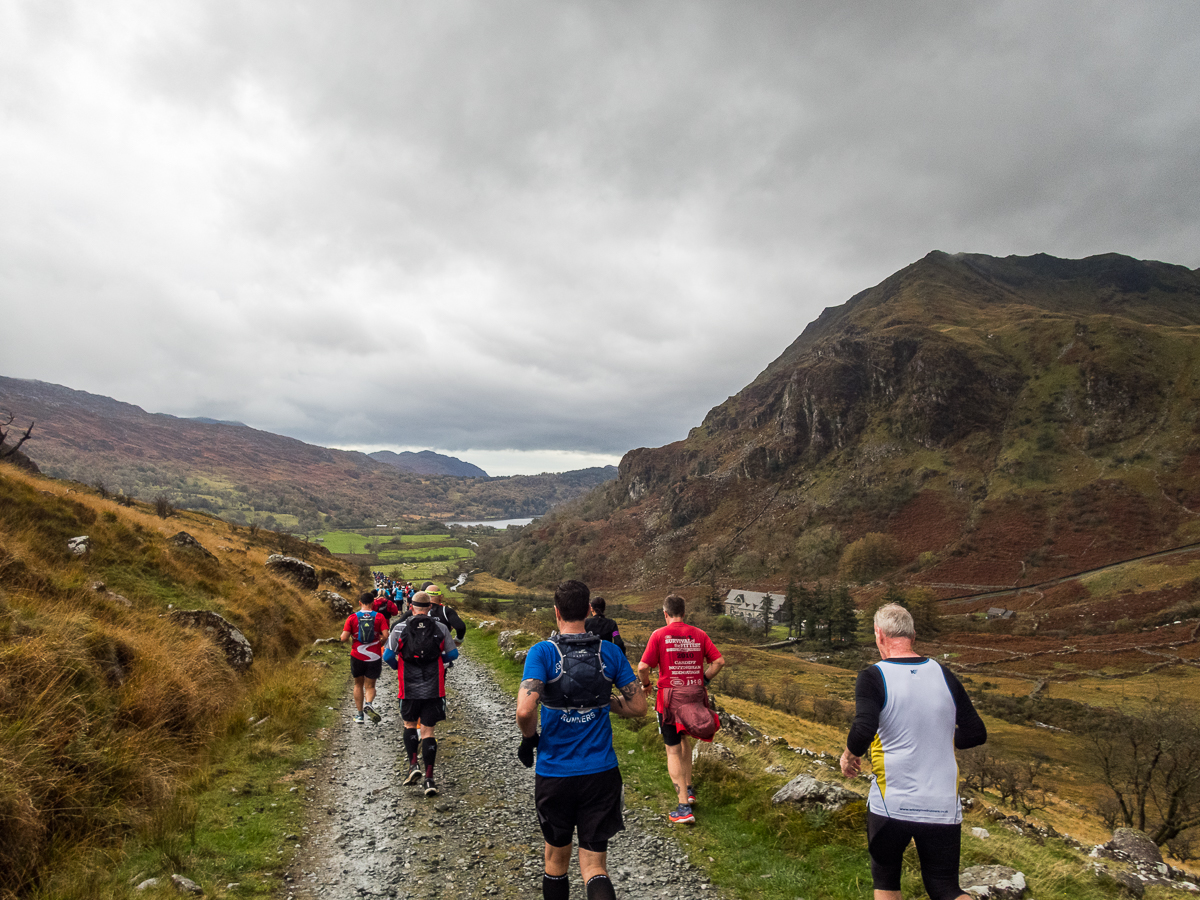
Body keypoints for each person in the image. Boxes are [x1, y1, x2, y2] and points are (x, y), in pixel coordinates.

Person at [839, 603, 987, 900]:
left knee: (887, 881)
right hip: (942, 803)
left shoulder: (873, 676)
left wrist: (849, 754)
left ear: (879, 635)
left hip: (892, 801)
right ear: (913, 636)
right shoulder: (945, 675)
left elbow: (864, 727)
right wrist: (945, 737)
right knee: (945, 888)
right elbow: (976, 733)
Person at [516, 580, 646, 900]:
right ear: (589, 610)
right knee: (594, 866)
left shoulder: (543, 652)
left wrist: (529, 738)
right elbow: (639, 706)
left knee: (556, 859)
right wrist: (605, 702)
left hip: (555, 772)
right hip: (601, 772)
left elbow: (524, 710)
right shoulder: (610, 652)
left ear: (556, 611)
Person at [637, 593, 725, 825]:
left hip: (669, 701)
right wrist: (703, 680)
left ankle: (683, 807)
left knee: (672, 750)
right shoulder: (700, 635)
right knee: (685, 741)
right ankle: (689, 789)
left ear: (665, 613)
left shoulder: (659, 635)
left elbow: (643, 666)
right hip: (695, 697)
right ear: (684, 613)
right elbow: (719, 662)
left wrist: (646, 685)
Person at [383, 590, 458, 797]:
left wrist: (399, 666)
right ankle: (430, 779)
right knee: (428, 732)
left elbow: (388, 655)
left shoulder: (399, 628)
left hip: (408, 686)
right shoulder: (441, 627)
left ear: (411, 606)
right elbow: (453, 654)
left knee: (409, 725)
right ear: (431, 607)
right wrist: (438, 662)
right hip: (434, 687)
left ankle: (413, 764)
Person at [340, 591, 389, 724]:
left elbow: (344, 638)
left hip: (357, 656)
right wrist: (381, 643)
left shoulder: (352, 617)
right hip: (374, 656)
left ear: (360, 603)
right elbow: (386, 635)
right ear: (373, 604)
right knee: (370, 685)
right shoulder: (379, 617)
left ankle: (360, 715)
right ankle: (369, 703)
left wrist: (351, 637)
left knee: (358, 684)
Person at [399, 583, 466, 646]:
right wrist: (458, 640)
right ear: (440, 597)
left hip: (416, 651)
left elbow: (395, 626)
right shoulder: (446, 611)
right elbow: (460, 627)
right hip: (440, 650)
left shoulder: (415, 611)